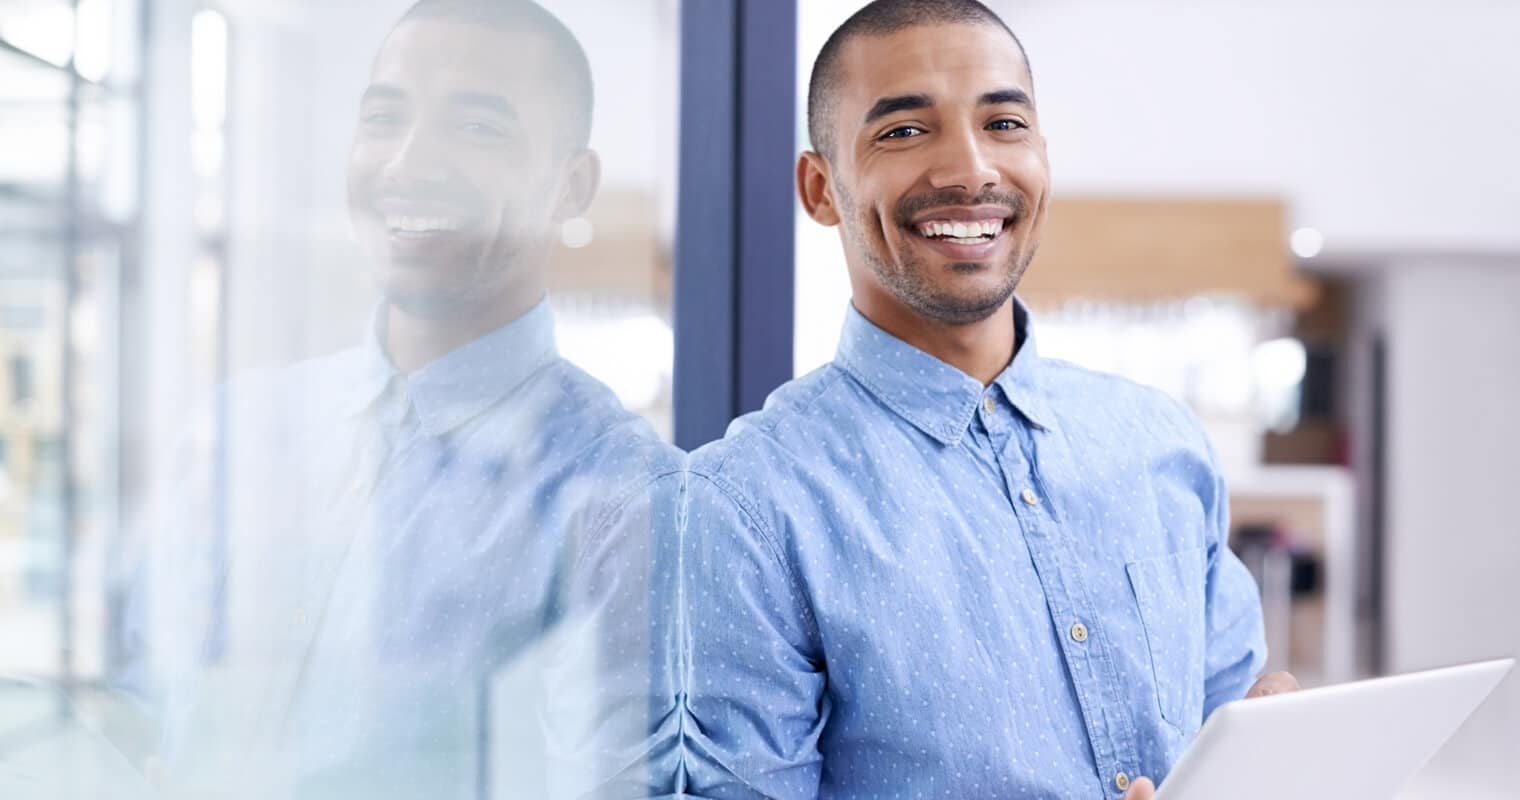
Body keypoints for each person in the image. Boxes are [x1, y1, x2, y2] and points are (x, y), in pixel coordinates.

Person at [676, 1, 1296, 797]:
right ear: (820, 187)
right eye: (903, 130)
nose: (971, 170)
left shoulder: (1160, 442)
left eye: (1005, 124)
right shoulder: (747, 504)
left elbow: (1227, 740)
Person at [116, 1, 678, 796]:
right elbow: (137, 712)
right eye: (385, 117)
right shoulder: (239, 430)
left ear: (570, 186)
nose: (410, 162)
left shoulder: (628, 498)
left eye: (477, 127)